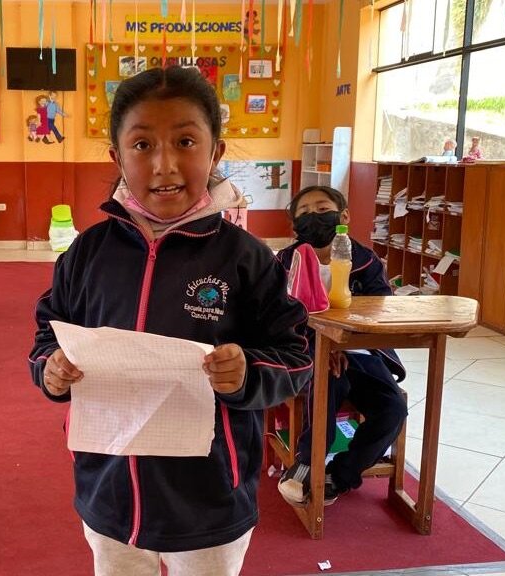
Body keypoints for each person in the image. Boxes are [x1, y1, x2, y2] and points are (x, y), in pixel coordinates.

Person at [28, 66, 312, 576]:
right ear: (117, 157)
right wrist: (51, 369)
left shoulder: (247, 259)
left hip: (209, 501)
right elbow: (49, 332)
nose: (164, 165)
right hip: (109, 491)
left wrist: (246, 372)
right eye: (142, 145)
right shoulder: (87, 254)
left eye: (185, 141)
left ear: (215, 152)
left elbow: (296, 357)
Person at [275, 185, 407, 507]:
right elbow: (276, 318)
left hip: (361, 352)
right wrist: (323, 347)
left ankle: (339, 475)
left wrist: (341, 346)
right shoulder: (285, 262)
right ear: (294, 224)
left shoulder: (365, 260)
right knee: (327, 379)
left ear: (344, 216)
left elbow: (380, 310)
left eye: (322, 209)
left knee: (392, 408)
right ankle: (307, 462)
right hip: (307, 352)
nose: (314, 217)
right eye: (304, 213)